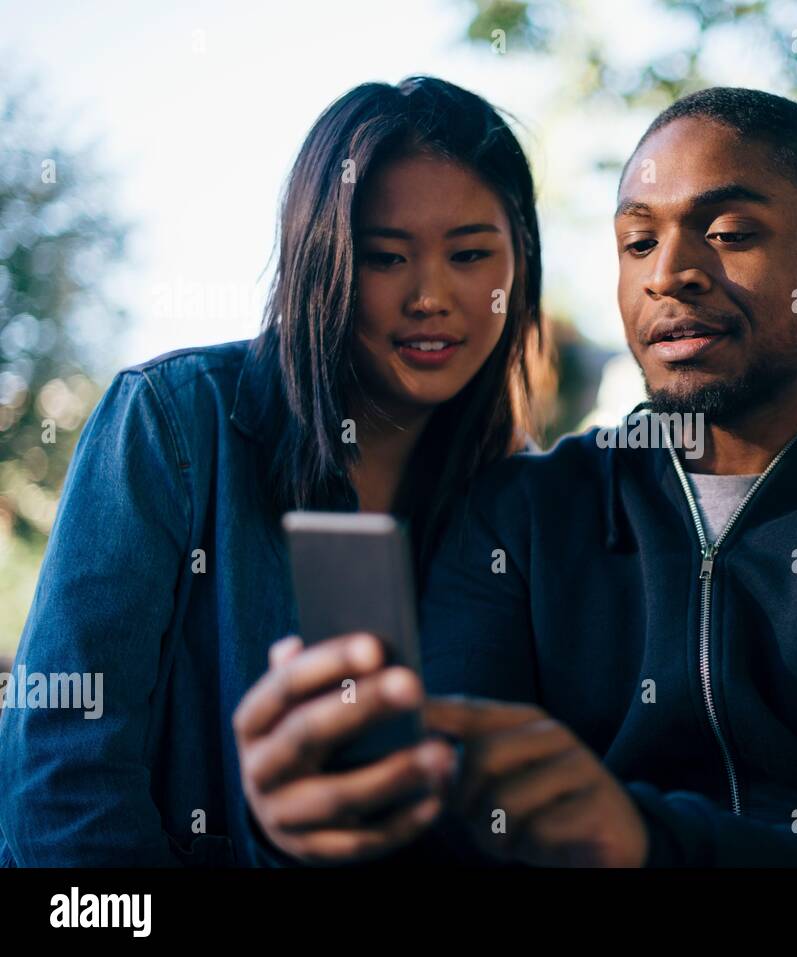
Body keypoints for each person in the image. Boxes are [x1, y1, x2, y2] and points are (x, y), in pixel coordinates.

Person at [235, 88, 797, 868]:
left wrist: (644, 840)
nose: (670, 272)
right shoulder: (514, 516)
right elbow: (447, 826)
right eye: (638, 243)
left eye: (731, 233)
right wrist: (320, 820)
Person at [0, 75, 543, 866]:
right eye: (386, 257)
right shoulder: (171, 422)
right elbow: (62, 779)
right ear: (320, 262)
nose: (431, 296)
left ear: (517, 261)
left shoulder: (519, 490)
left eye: (469, 254)